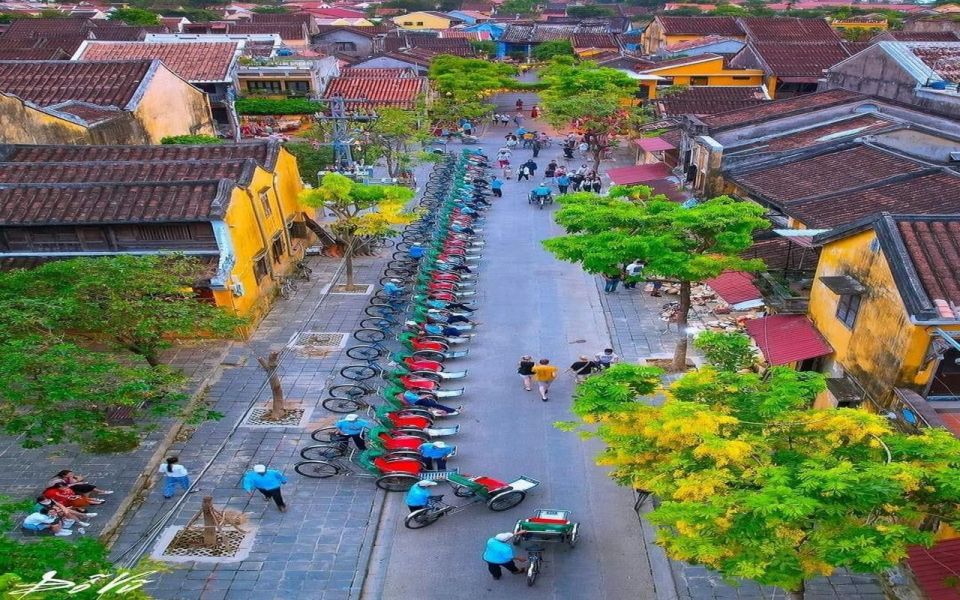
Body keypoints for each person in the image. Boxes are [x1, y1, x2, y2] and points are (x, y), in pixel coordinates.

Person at [48, 470, 113, 496]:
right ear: (65, 475)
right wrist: (77, 483)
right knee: (85, 486)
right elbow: (65, 486)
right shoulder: (59, 480)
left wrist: (71, 477)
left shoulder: (67, 477)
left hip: (68, 486)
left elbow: (72, 482)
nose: (72, 474)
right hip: (61, 489)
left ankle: (101, 491)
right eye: (70, 474)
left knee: (84, 485)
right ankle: (101, 491)